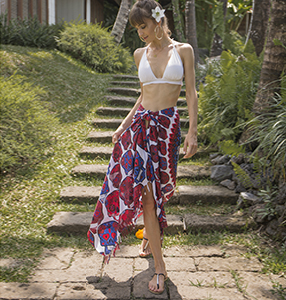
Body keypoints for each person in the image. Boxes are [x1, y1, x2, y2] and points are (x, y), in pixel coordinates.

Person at [87, 0, 198, 295]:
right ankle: (160, 268)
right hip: (141, 130)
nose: (140, 33)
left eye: (143, 26)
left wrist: (193, 131)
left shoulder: (183, 50)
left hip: (168, 129)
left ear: (158, 20)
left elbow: (190, 92)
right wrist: (124, 125)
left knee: (163, 190)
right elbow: (142, 96)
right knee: (147, 198)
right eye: (136, 28)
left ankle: (150, 235)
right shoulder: (139, 54)